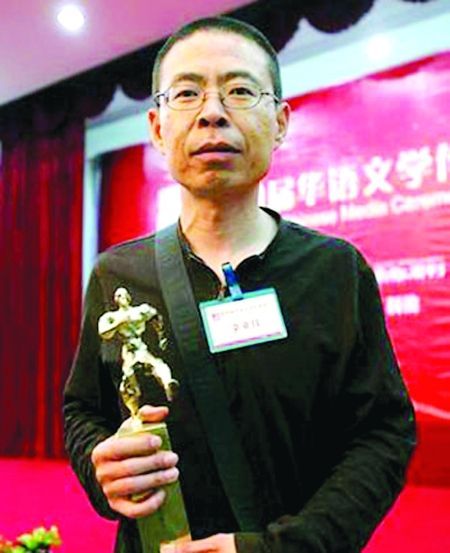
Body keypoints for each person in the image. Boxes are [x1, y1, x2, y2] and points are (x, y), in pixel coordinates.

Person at [63, 16, 416, 553]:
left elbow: (383, 432)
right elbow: (84, 410)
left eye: (240, 91)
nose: (212, 112)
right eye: (187, 93)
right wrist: (99, 466)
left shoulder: (336, 272)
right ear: (157, 127)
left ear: (280, 122)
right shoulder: (117, 275)